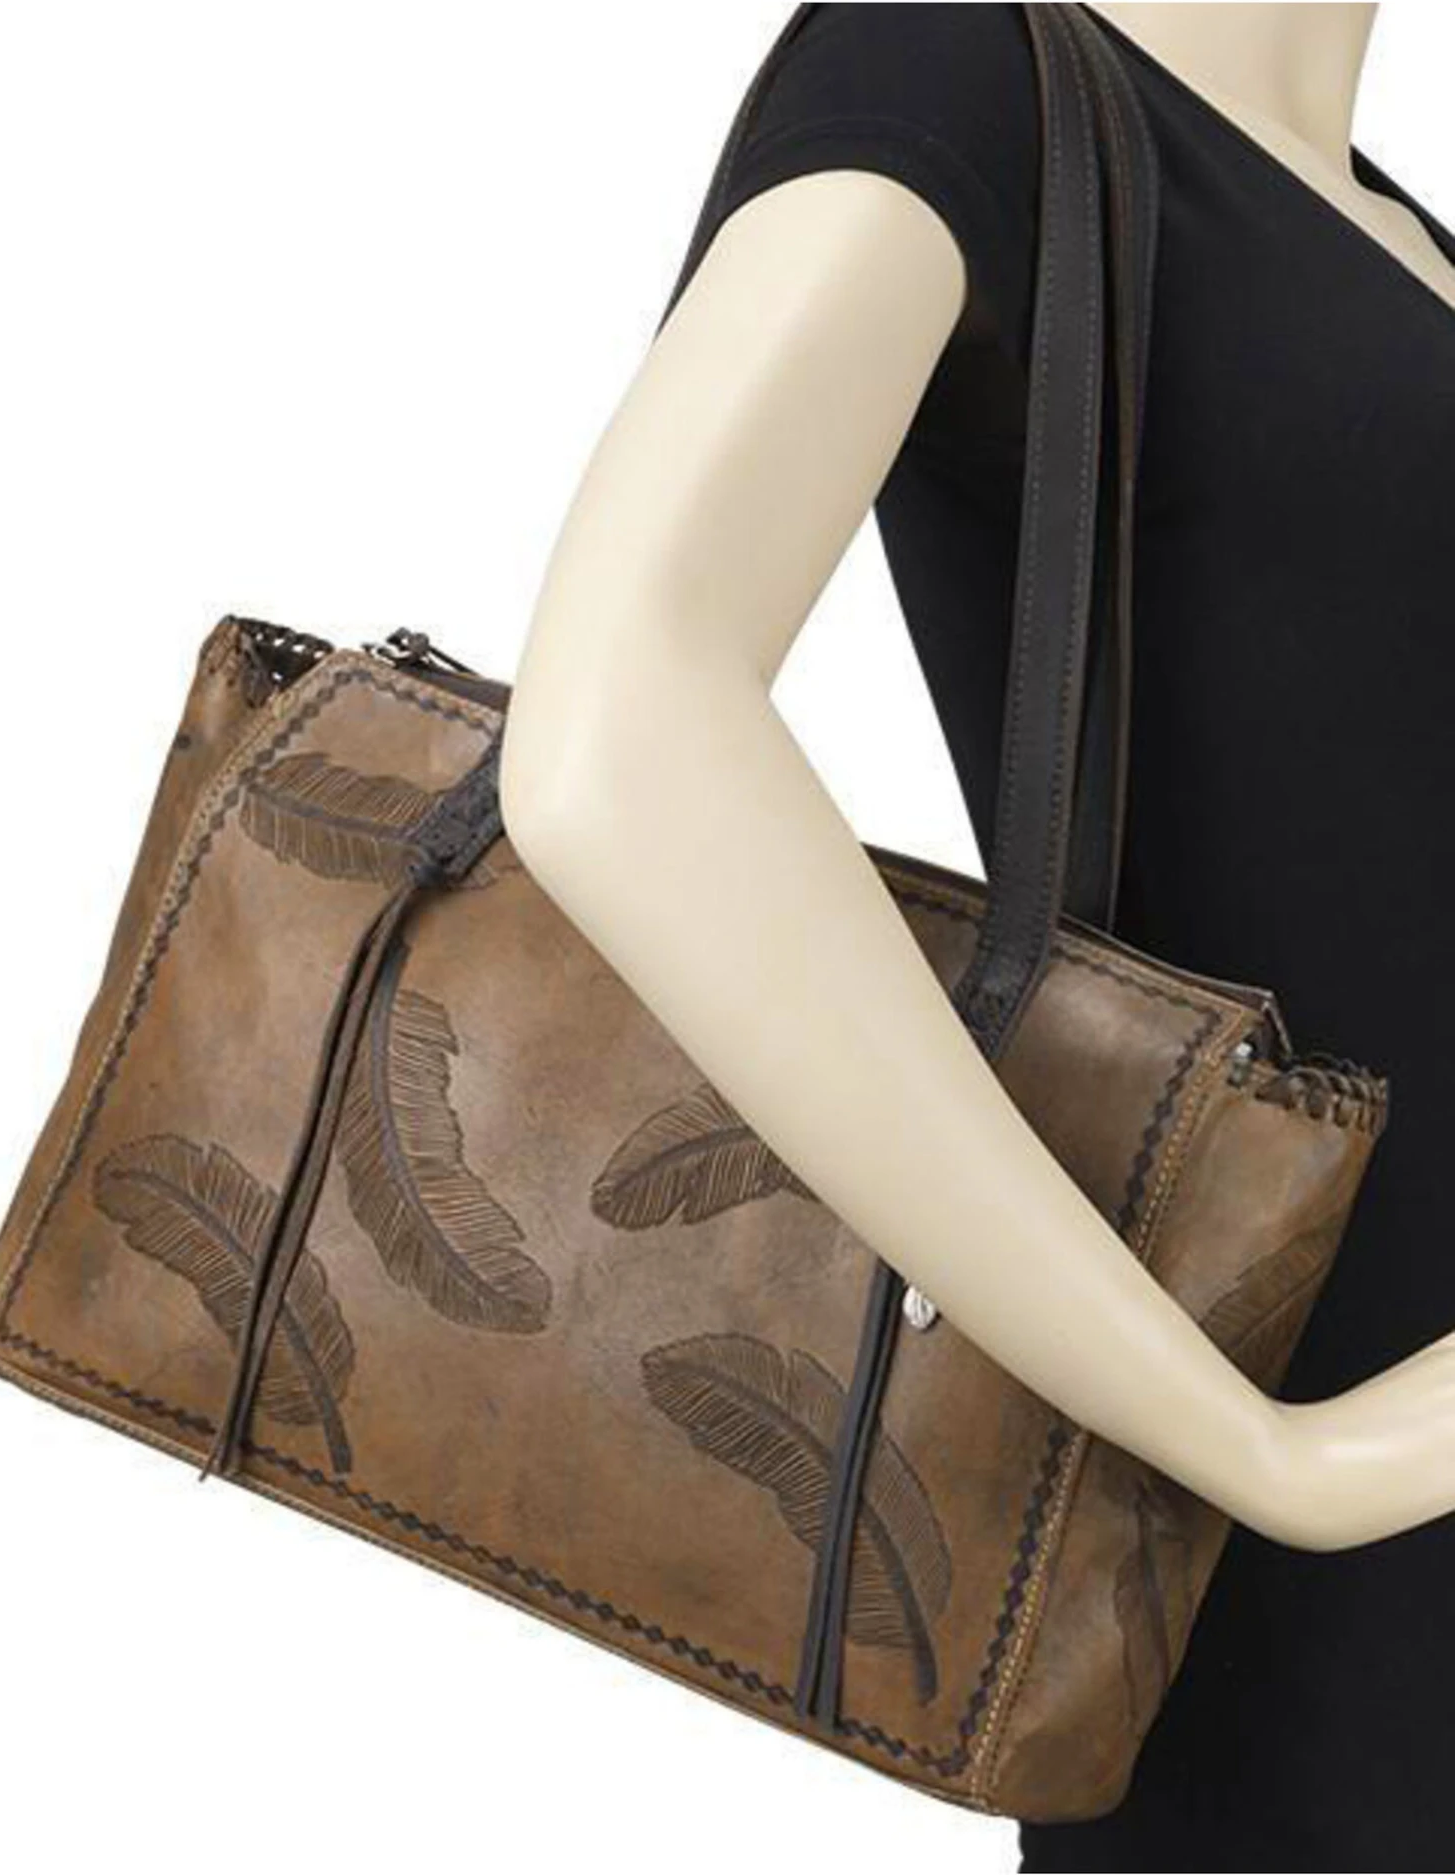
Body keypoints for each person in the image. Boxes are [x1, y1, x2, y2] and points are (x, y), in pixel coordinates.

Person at [497, 5, 1455, 1867]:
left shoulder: (1396, 233)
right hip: (1323, 1601)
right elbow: (618, 725)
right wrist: (1274, 1455)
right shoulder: (962, 67)